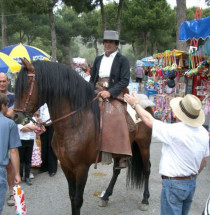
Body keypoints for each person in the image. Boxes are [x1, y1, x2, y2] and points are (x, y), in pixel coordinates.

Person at [124, 93, 209, 215]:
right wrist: (193, 175)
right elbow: (204, 160)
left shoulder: (174, 131)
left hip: (173, 184)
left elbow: (148, 120)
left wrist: (135, 104)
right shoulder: (203, 133)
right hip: (191, 183)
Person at [90, 30, 131, 169]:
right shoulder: (98, 59)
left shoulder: (123, 60)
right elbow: (92, 78)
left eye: (111, 42)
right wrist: (89, 91)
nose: (107, 44)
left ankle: (122, 154)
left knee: (118, 115)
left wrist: (110, 92)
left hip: (115, 92)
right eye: (105, 41)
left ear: (116, 44)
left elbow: (125, 80)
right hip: (96, 90)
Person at [0, 93, 21, 215]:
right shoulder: (10, 124)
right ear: (3, 106)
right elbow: (13, 151)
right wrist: (17, 173)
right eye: (7, 105)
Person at [0, 72, 16, 206]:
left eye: (4, 81)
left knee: (10, 164)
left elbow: (15, 114)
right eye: (0, 81)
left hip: (10, 134)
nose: (2, 83)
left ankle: (12, 192)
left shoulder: (14, 97)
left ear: (8, 81)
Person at [17, 116, 39, 185]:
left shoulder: (33, 118)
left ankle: (27, 176)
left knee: (28, 160)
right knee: (21, 160)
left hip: (30, 140)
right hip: (22, 140)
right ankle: (20, 176)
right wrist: (31, 127)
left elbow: (36, 127)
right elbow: (22, 129)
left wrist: (27, 126)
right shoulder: (20, 117)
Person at [39, 103, 57, 177]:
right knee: (44, 146)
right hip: (43, 125)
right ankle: (44, 166)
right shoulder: (41, 101)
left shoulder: (53, 101)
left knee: (51, 146)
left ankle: (52, 168)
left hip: (52, 125)